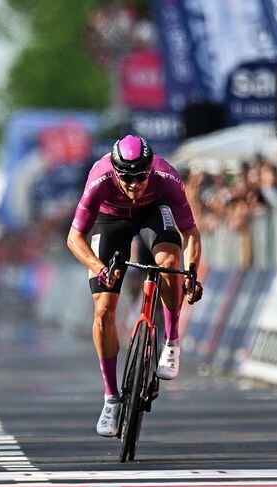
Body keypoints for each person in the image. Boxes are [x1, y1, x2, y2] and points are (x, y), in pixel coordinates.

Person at [65, 135, 202, 438]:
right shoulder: (99, 177)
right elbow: (74, 238)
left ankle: (172, 341)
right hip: (110, 220)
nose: (135, 183)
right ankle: (111, 397)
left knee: (169, 264)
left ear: (150, 169)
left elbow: (191, 232)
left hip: (153, 212)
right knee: (103, 311)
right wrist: (99, 270)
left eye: (141, 175)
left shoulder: (165, 174)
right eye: (127, 177)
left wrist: (190, 273)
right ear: (115, 172)